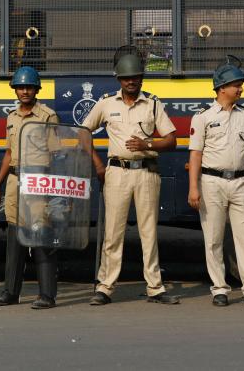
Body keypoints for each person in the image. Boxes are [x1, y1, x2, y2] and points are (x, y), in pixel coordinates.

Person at [83, 51, 179, 305]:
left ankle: (155, 287)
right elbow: (83, 132)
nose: (131, 82)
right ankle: (105, 287)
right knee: (113, 233)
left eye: (135, 77)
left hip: (147, 172)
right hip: (117, 173)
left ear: (142, 79)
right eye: (126, 78)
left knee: (149, 232)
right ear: (119, 79)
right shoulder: (106, 104)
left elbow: (171, 140)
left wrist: (148, 143)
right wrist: (98, 165)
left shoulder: (153, 104)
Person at [187, 61, 244, 307]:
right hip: (211, 182)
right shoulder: (203, 117)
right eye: (236, 85)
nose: (241, 89)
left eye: (240, 85)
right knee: (214, 238)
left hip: (241, 181)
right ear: (222, 88)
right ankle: (219, 288)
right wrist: (193, 188)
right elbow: (195, 155)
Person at [0, 66, 60, 309]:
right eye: (20, 87)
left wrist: (53, 189)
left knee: (41, 236)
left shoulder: (47, 116)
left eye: (29, 87)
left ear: (36, 89)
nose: (25, 91)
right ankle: (11, 291)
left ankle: (47, 294)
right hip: (13, 181)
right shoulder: (11, 117)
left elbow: (56, 153)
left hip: (38, 181)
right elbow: (9, 153)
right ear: (15, 90)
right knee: (14, 238)